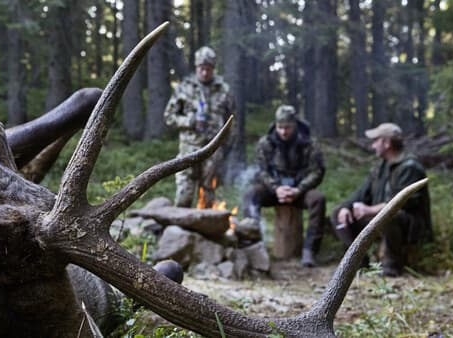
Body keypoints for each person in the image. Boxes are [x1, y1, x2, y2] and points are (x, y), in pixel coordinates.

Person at [331, 122, 433, 277]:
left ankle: (391, 266)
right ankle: (359, 263)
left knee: (390, 216)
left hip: (410, 226)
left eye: (375, 141)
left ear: (387, 143)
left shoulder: (410, 166)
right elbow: (361, 193)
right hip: (380, 219)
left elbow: (404, 202)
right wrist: (346, 207)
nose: (373, 146)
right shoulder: (381, 166)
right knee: (338, 213)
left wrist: (369, 210)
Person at [242, 105, 326, 267]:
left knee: (318, 199)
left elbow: (317, 171)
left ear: (294, 125)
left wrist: (299, 189)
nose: (283, 132)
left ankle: (310, 251)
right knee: (251, 195)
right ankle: (253, 244)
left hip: (299, 190)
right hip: (274, 190)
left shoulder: (309, 143)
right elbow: (261, 170)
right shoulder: (266, 143)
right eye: (280, 127)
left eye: (287, 127)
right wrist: (276, 188)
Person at [164, 46, 236, 208]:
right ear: (197, 67)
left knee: (209, 200)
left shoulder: (223, 90)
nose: (205, 73)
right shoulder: (184, 87)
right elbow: (169, 117)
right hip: (189, 149)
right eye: (202, 69)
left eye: (208, 69)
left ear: (213, 68)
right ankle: (179, 233)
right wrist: (190, 121)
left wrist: (226, 147)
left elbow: (231, 122)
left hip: (213, 150)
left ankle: (207, 232)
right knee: (184, 197)